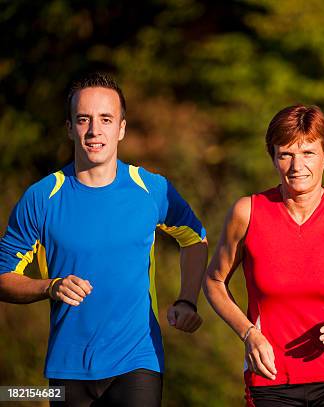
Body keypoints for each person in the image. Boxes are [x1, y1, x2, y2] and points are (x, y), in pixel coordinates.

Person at [0, 72, 208, 406]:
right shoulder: (42, 197)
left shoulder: (152, 190)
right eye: (84, 120)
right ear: (70, 128)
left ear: (121, 128)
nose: (95, 131)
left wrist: (187, 299)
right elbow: (3, 278)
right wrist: (49, 286)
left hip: (138, 360)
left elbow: (196, 239)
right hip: (67, 368)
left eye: (106, 119)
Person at [204, 105, 324, 407]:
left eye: (308, 153)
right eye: (286, 154)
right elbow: (215, 282)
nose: (297, 166)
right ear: (272, 157)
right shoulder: (248, 212)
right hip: (269, 379)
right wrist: (248, 334)